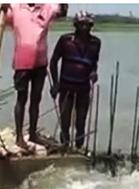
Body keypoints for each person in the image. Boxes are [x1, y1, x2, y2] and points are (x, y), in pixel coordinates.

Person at [0, 3, 68, 149]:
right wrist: (2, 9)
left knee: (36, 99)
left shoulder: (47, 7)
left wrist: (63, 5)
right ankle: (19, 137)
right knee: (21, 99)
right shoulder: (16, 8)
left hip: (40, 62)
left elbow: (63, 12)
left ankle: (33, 133)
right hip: (22, 62)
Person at [49, 11, 101, 149]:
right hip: (66, 88)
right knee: (65, 122)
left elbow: (94, 63)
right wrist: (55, 84)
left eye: (88, 25)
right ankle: (65, 148)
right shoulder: (66, 40)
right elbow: (53, 61)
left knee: (81, 124)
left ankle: (78, 149)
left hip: (83, 89)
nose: (85, 27)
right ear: (76, 25)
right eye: (81, 24)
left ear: (91, 26)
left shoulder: (96, 43)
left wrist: (94, 72)